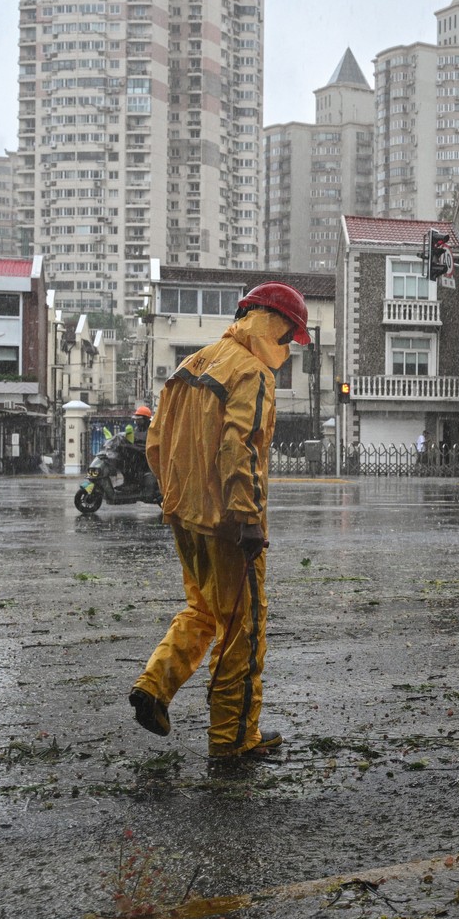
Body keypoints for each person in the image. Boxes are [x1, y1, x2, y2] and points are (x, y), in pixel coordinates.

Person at [127, 283, 310, 763]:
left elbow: (156, 442)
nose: (289, 347)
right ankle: (232, 739)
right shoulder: (250, 371)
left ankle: (155, 685)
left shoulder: (192, 365)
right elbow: (240, 445)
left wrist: (179, 496)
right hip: (229, 523)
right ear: (274, 323)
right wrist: (247, 518)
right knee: (241, 629)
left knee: (204, 610)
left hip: (185, 516)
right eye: (290, 335)